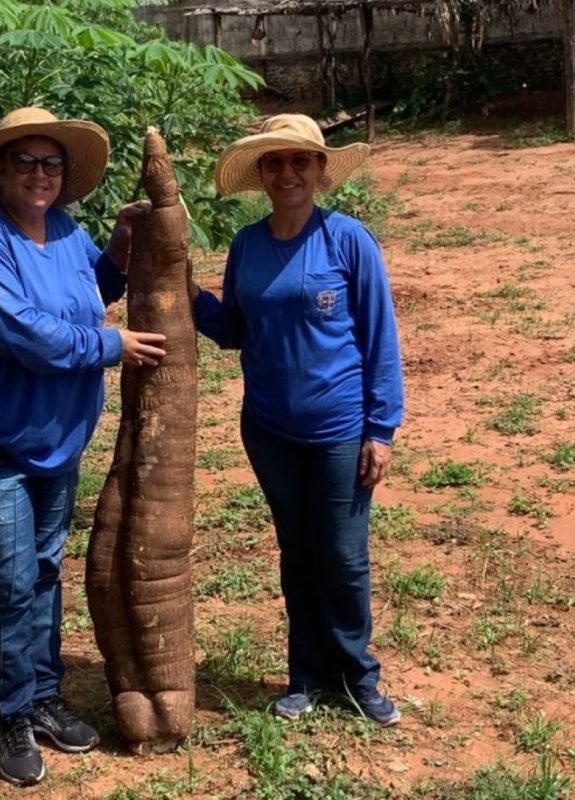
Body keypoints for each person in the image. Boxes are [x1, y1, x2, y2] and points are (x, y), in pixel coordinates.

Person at [0, 107, 166, 787]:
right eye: (25, 162)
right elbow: (26, 335)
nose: (39, 175)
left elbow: (85, 294)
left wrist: (120, 250)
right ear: (0, 171)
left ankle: (42, 694)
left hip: (57, 437)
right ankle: (11, 710)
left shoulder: (67, 232)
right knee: (10, 581)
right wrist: (112, 346)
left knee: (43, 569)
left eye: (51, 164)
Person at [190, 114, 404, 726]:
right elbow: (234, 330)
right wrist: (189, 294)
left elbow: (380, 338)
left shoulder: (348, 240)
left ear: (319, 170)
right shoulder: (248, 246)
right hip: (269, 431)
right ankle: (306, 677)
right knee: (297, 552)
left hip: (339, 430)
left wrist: (380, 430)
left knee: (341, 555)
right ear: (261, 174)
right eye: (274, 162)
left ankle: (356, 676)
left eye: (299, 162)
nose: (287, 173)